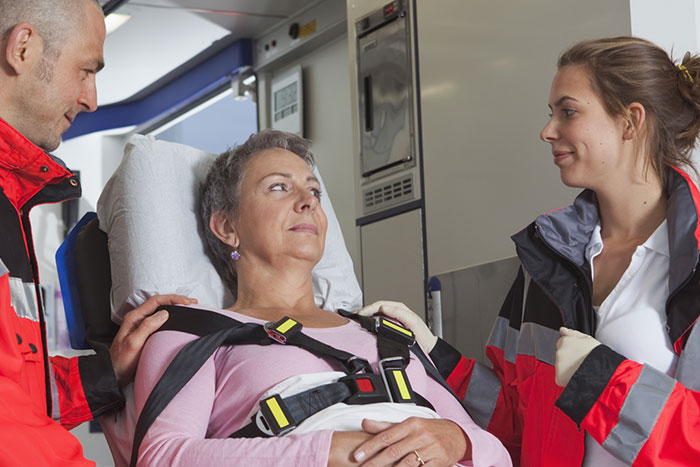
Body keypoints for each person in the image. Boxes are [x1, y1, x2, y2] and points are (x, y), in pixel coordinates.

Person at [357, 36, 700, 466]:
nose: (548, 131)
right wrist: (434, 353)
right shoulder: (546, 262)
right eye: (551, 113)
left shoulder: (694, 262)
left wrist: (600, 382)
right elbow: (516, 423)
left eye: (568, 112)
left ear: (630, 122)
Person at [129, 130, 512, 466]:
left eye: (313, 190)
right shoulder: (193, 333)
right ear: (227, 226)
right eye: (279, 187)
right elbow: (162, 457)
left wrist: (454, 438)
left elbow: (496, 454)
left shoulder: (388, 334)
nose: (309, 201)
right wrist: (326, 452)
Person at [0, 1, 195, 465]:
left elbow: (21, 392)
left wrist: (107, 373)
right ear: (22, 48)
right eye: (86, 70)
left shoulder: (10, 201)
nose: (91, 98)